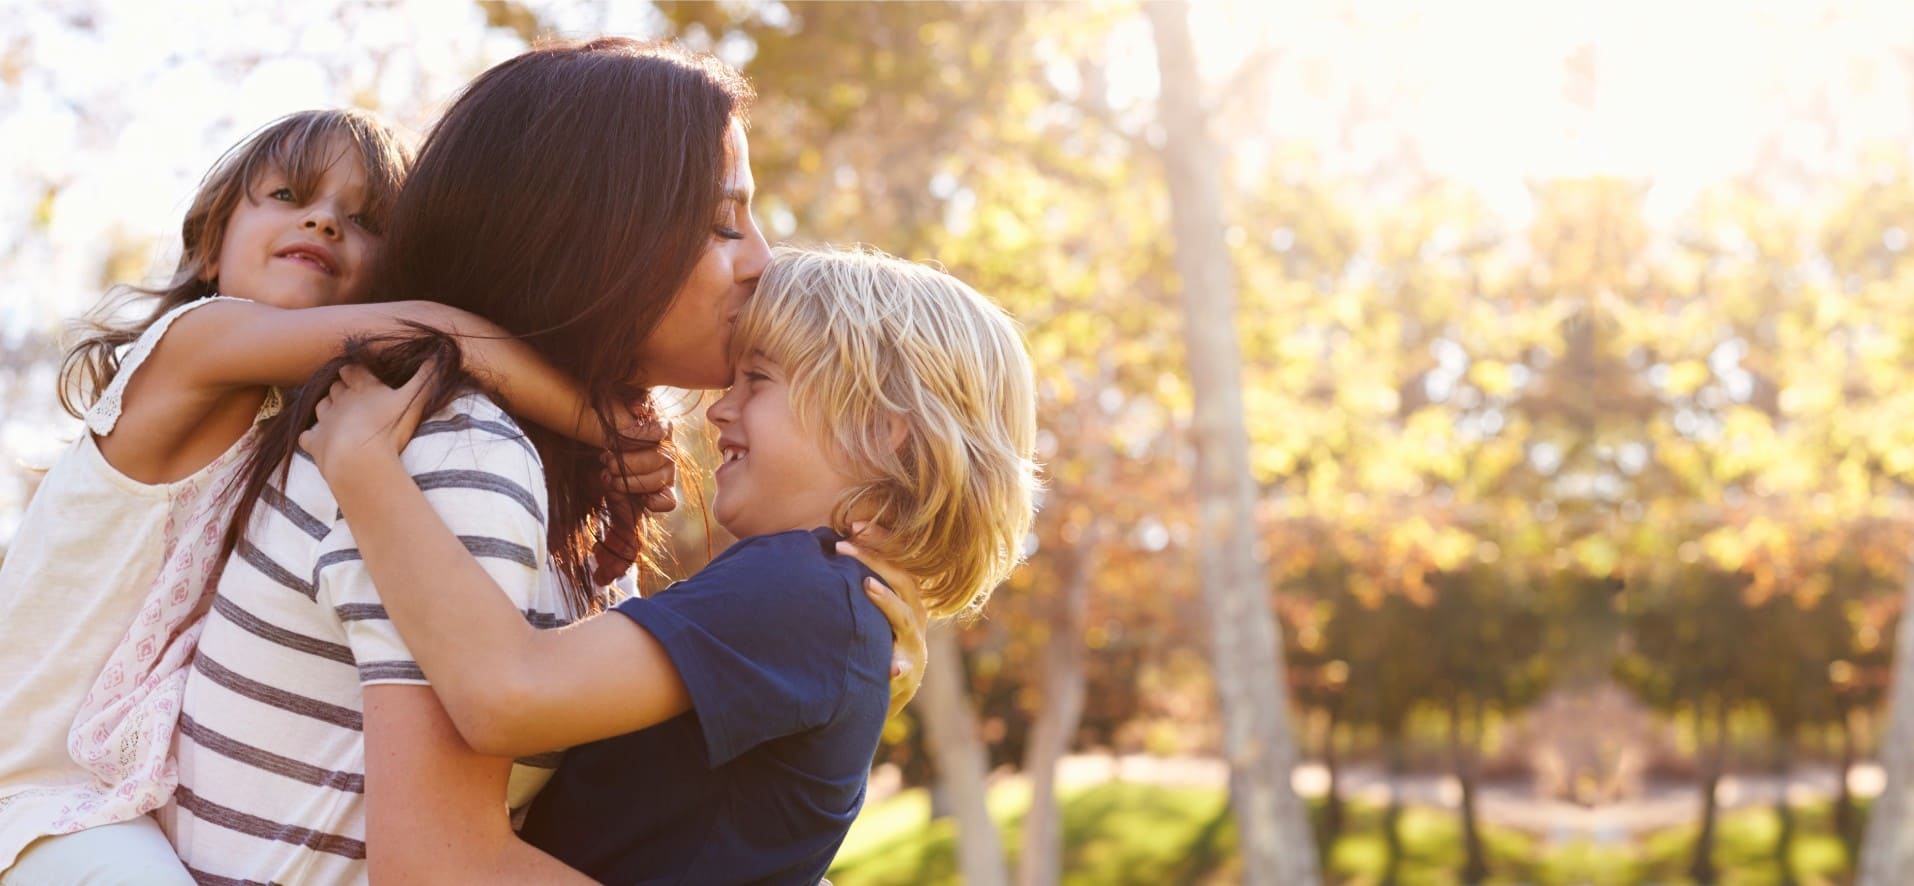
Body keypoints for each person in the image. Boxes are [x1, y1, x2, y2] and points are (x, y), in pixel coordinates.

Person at [165, 40, 927, 884]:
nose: (761, 261)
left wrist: (814, 669)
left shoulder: (542, 471)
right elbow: (442, 869)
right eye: (721, 223)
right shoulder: (461, 456)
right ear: (590, 237)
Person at [0, 108, 650, 885]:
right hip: (39, 795)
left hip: (123, 792)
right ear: (210, 246)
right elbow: (437, 330)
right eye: (287, 194)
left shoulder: (298, 422)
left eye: (365, 219)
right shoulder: (194, 345)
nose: (323, 220)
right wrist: (606, 426)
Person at [303, 245, 1039, 883]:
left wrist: (363, 467)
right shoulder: (825, 603)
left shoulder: (802, 586)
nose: (719, 409)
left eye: (759, 379)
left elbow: (508, 690)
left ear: (884, 433)